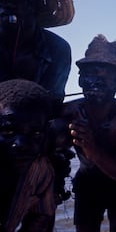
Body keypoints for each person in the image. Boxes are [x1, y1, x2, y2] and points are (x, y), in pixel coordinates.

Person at [0, 0, 75, 206]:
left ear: (36, 6)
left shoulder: (57, 50)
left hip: (33, 142)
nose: (7, 3)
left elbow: (52, 108)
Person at [58, 34, 116, 232]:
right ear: (80, 81)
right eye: (90, 76)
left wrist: (92, 149)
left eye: (104, 77)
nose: (96, 83)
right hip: (87, 184)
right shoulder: (69, 111)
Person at [0, 79, 56, 232]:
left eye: (36, 134)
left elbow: (40, 215)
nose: (21, 144)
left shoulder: (40, 170)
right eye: (8, 131)